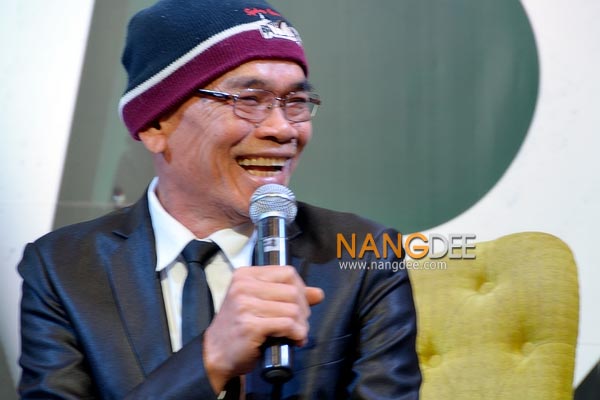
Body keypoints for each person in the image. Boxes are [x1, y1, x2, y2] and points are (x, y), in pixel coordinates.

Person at [17, 0, 422, 398]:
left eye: (296, 103)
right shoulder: (63, 268)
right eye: (249, 100)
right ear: (155, 124)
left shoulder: (364, 254)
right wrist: (210, 360)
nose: (283, 129)